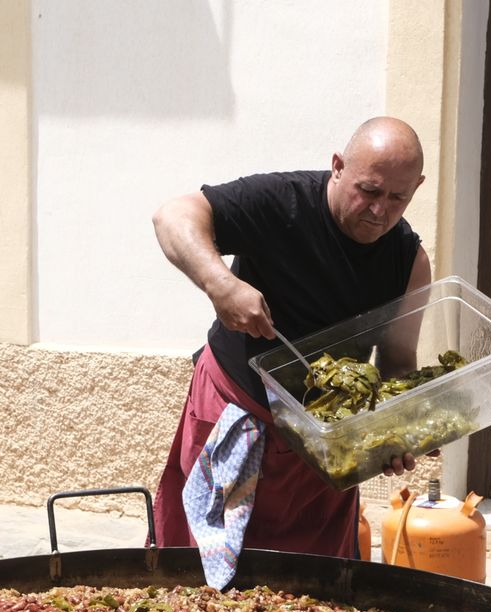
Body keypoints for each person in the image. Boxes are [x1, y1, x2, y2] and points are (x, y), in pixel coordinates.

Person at [152, 116, 433, 566]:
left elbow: (398, 362)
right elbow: (172, 216)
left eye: (397, 197)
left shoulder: (409, 261)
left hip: (323, 452)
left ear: (416, 187)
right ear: (338, 166)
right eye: (369, 190)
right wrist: (220, 284)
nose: (380, 210)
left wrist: (398, 429)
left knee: (312, 589)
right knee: (204, 575)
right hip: (235, 414)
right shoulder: (280, 203)